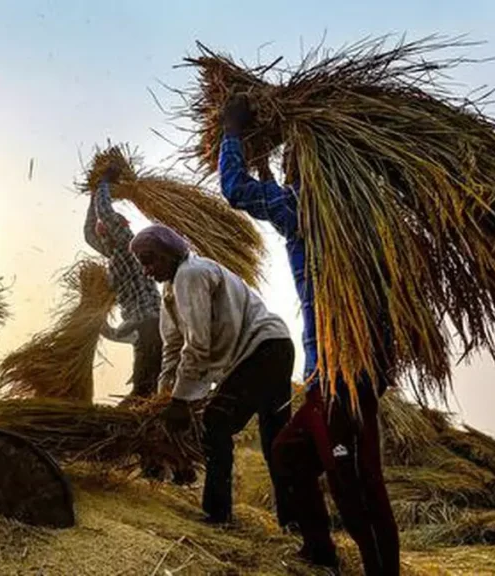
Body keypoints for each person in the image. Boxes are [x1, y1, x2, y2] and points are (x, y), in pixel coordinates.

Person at [219, 94, 400, 574]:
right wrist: (268, 172)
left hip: (347, 369)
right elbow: (276, 201)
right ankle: (320, 553)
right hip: (345, 367)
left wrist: (233, 131)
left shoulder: (308, 207)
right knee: (291, 454)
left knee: (354, 479)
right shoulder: (353, 212)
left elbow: (236, 190)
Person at [129, 224, 295, 526]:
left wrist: (180, 401)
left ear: (170, 251)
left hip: (264, 351)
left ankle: (219, 513)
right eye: (142, 262)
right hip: (274, 350)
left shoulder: (191, 274)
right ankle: (292, 522)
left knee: (215, 424)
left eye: (150, 259)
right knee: (276, 442)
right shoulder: (170, 291)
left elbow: (197, 344)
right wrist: (164, 397)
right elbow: (173, 349)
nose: (146, 270)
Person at [83, 164, 163, 405]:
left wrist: (104, 183)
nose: (103, 236)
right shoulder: (115, 258)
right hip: (142, 329)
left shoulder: (130, 245)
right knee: (146, 392)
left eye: (106, 232)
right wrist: (93, 195)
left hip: (152, 325)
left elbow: (105, 213)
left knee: (142, 394)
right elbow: (89, 233)